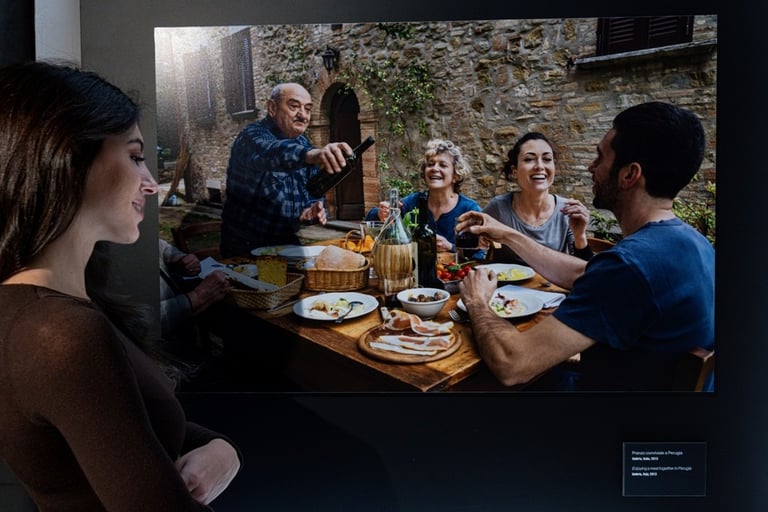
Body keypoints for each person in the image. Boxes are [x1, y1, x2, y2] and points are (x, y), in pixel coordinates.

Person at [0, 61, 241, 510]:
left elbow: (121, 424)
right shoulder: (59, 334)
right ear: (67, 159)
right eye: (134, 156)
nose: (150, 184)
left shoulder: (46, 310)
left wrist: (222, 448)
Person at [457, 102, 714, 391]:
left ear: (629, 175)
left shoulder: (628, 267)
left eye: (600, 157)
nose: (591, 167)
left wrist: (477, 301)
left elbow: (513, 364)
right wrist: (507, 233)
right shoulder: (695, 244)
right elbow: (585, 272)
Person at [220, 82, 353, 257]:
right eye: (294, 106)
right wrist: (313, 155)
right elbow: (272, 152)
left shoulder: (302, 143)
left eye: (307, 109)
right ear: (272, 108)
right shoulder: (251, 137)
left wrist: (311, 210)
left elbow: (313, 192)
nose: (303, 116)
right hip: (245, 248)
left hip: (286, 245)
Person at [482, 132, 592, 264]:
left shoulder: (567, 211)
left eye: (547, 159)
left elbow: (584, 270)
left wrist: (580, 236)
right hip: (505, 284)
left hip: (552, 285)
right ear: (514, 171)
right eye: (529, 159)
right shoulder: (498, 208)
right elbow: (469, 246)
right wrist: (477, 238)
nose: (540, 166)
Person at [365, 138, 484, 258]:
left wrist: (450, 247)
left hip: (453, 275)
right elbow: (370, 221)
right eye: (430, 164)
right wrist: (382, 214)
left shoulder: (469, 209)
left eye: (443, 165)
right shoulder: (413, 202)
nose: (434, 168)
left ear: (455, 176)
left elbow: (479, 254)